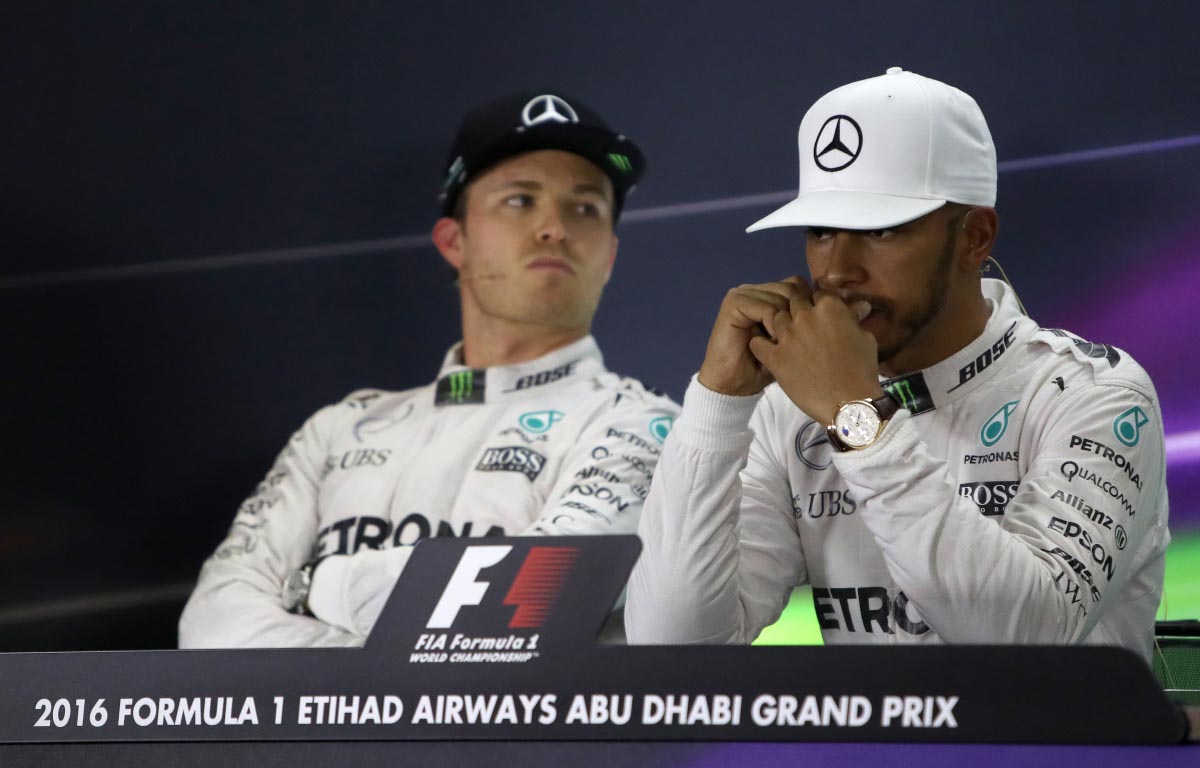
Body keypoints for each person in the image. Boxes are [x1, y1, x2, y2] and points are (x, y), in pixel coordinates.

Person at [625, 68, 1169, 661]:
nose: (835, 271)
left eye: (880, 229)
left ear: (974, 238)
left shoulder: (1095, 393)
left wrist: (857, 417)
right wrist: (718, 404)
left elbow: (1024, 647)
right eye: (822, 230)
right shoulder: (788, 411)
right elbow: (671, 650)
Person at [180, 90, 679, 647]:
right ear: (454, 241)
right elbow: (213, 626)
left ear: (608, 255)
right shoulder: (337, 429)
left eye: (584, 208)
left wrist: (315, 585)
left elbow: (534, 599)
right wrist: (397, 678)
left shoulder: (646, 426)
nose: (554, 228)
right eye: (520, 200)